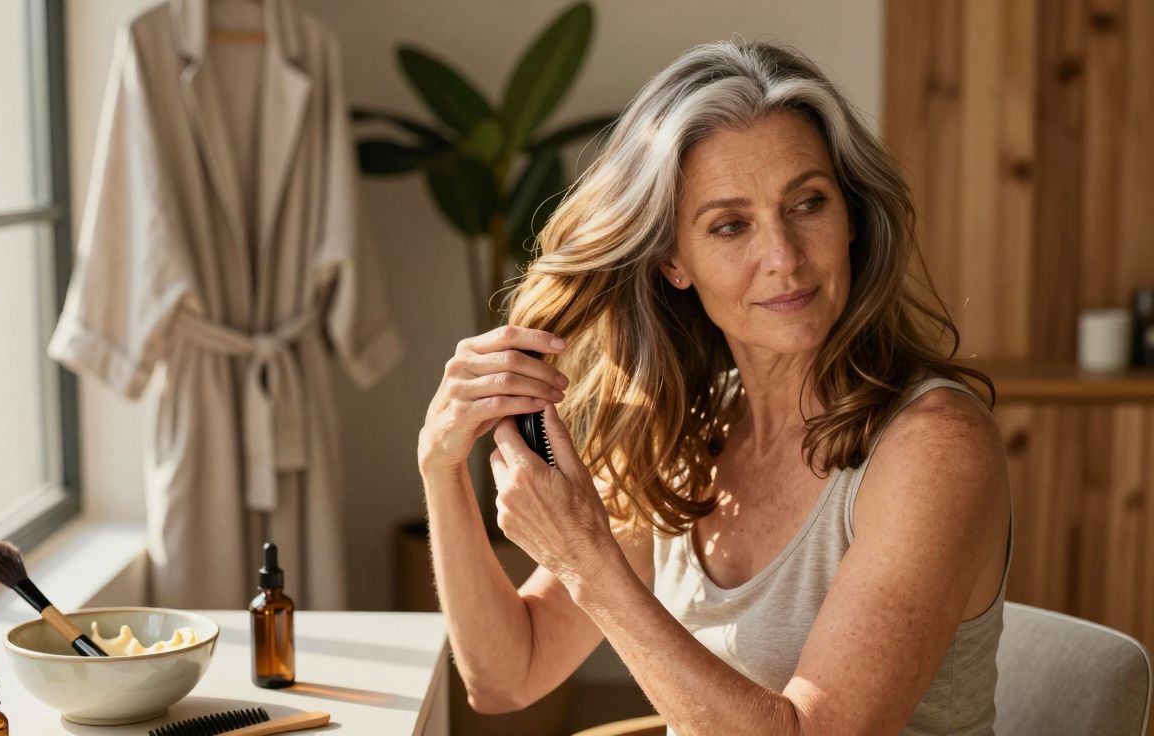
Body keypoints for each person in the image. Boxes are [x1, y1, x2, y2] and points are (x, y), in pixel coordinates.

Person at [417, 38, 1011, 735]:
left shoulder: (934, 447)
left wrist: (589, 562)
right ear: (673, 259)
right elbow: (505, 676)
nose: (783, 258)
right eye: (731, 225)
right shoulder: (687, 431)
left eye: (808, 203)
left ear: (850, 215)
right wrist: (440, 467)